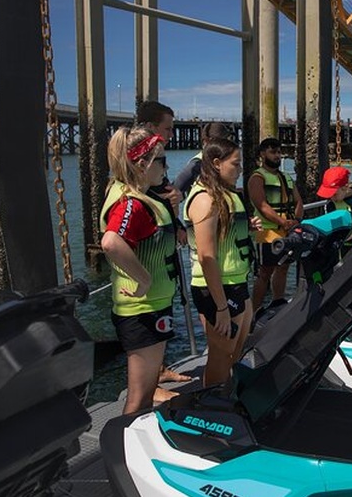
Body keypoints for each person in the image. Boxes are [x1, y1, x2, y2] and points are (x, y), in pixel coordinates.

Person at [99, 127, 178, 415]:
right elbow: (110, 241)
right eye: (161, 160)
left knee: (144, 395)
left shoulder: (138, 196)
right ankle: (124, 453)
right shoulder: (131, 203)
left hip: (151, 307)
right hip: (143, 310)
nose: (166, 168)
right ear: (142, 164)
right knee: (139, 400)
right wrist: (143, 279)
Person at [184, 138, 260, 387]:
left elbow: (223, 236)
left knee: (235, 353)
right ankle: (209, 408)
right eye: (235, 165)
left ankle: (225, 400)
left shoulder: (226, 195)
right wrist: (220, 308)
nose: (239, 171)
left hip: (236, 283)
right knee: (221, 357)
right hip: (218, 290)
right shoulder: (205, 200)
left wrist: (245, 227)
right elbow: (207, 257)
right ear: (216, 164)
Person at [136, 100, 191, 397]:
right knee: (146, 319)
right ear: (150, 126)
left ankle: (159, 370)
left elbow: (164, 193)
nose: (171, 134)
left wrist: (178, 222)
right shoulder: (139, 159)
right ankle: (150, 386)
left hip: (164, 250)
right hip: (148, 254)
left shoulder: (157, 158)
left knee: (162, 314)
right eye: (168, 128)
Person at [248, 137, 304, 311]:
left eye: (279, 152)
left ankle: (278, 302)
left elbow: (298, 201)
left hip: (287, 231)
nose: (277, 155)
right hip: (267, 233)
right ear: (262, 154)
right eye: (273, 152)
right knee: (265, 272)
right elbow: (262, 206)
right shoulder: (257, 177)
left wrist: (296, 221)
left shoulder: (286, 177)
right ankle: (254, 311)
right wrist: (282, 222)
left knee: (284, 267)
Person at [316, 166, 352, 256]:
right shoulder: (331, 205)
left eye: (334, 194)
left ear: (345, 187)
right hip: (342, 251)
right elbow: (334, 234)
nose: (332, 198)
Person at [174, 122, 234, 196]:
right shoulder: (197, 164)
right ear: (207, 142)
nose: (226, 145)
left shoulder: (223, 162)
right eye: (223, 141)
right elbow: (175, 189)